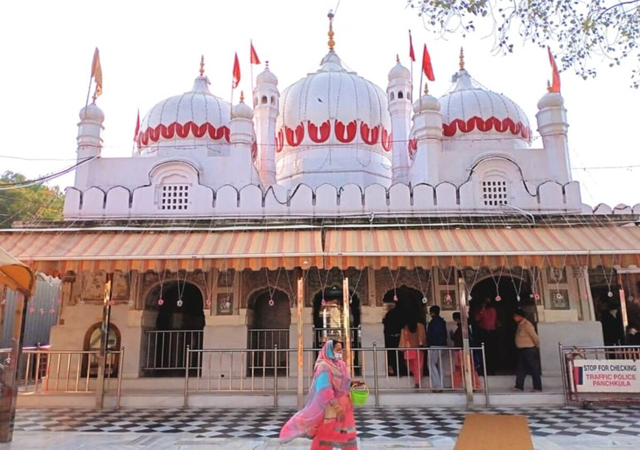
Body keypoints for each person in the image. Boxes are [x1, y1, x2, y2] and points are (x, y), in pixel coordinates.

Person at [280, 340, 357, 449]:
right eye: (338, 350)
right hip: (331, 408)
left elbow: (345, 383)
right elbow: (324, 389)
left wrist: (354, 387)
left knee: (348, 435)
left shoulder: (341, 365)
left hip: (345, 407)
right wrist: (335, 405)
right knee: (325, 436)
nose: (341, 352)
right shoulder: (324, 366)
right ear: (330, 351)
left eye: (341, 350)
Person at [513, 308, 542, 392]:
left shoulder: (527, 325)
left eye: (515, 316)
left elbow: (535, 337)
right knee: (521, 368)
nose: (514, 318)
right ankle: (519, 386)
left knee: (533, 368)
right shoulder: (520, 325)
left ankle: (537, 387)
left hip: (529, 349)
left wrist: (537, 346)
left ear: (520, 316)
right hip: (522, 349)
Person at [450, 312, 481, 390]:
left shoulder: (461, 328)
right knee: (467, 368)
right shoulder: (465, 328)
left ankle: (457, 385)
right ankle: (475, 385)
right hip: (464, 350)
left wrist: (452, 336)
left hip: (461, 351)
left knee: (462, 368)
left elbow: (459, 339)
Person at [399, 315, 427, 388]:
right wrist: (424, 346)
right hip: (418, 350)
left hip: (408, 350)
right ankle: (417, 381)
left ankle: (416, 378)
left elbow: (402, 340)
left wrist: (401, 349)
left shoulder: (405, 328)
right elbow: (423, 338)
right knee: (418, 367)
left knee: (411, 366)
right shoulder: (420, 326)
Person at [473, 297, 498, 374]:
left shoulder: (493, 310)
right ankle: (484, 369)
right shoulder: (480, 310)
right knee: (483, 351)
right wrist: (482, 310)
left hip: (491, 332)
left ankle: (492, 369)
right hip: (483, 332)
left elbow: (493, 321)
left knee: (492, 352)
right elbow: (476, 319)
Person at [427, 305, 448, 392]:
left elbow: (432, 335)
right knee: (439, 365)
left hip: (435, 345)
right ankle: (441, 385)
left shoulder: (433, 323)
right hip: (442, 345)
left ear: (433, 312)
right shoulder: (442, 321)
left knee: (431, 365)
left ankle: (438, 386)